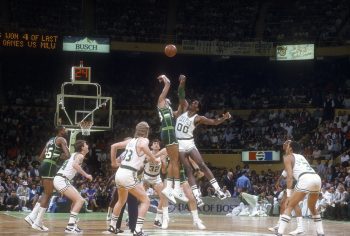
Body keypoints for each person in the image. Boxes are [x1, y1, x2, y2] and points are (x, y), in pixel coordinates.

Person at [106, 121, 160, 236]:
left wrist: (113, 162)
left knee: (121, 201)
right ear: (146, 131)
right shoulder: (144, 140)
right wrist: (153, 157)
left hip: (120, 173)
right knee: (146, 200)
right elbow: (143, 146)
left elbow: (113, 146)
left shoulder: (130, 141)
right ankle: (138, 229)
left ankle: (112, 226)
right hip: (129, 174)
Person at [175, 99, 231, 206]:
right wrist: (182, 82)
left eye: (196, 103)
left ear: (197, 108)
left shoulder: (198, 118)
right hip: (179, 144)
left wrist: (224, 118)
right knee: (188, 170)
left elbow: (214, 122)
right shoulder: (182, 112)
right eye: (193, 102)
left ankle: (218, 190)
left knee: (202, 165)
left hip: (189, 142)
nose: (193, 103)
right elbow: (181, 93)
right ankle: (197, 196)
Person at [25, 126, 70, 231]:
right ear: (60, 131)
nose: (66, 130)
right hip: (50, 166)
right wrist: (59, 157)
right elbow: (67, 155)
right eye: (65, 129)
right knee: (48, 193)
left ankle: (32, 216)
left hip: (44, 165)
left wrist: (53, 157)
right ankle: (38, 222)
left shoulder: (50, 141)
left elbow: (40, 157)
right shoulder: (62, 139)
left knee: (46, 193)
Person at [276, 140, 325, 236]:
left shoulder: (287, 157)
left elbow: (289, 177)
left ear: (290, 148)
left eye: (287, 145)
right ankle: (321, 232)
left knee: (289, 205)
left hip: (305, 178)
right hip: (316, 178)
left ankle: (279, 232)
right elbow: (287, 172)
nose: (285, 146)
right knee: (312, 207)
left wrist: (289, 195)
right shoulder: (301, 156)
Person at [155, 147, 207, 230]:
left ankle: (196, 220)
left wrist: (197, 169)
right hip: (169, 177)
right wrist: (163, 162)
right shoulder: (165, 149)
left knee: (191, 197)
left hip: (181, 176)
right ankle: (165, 218)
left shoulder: (183, 149)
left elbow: (191, 160)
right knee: (164, 195)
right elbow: (163, 170)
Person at [157, 74, 189, 204]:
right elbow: (168, 84)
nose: (168, 101)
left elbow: (181, 111)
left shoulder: (169, 111)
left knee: (173, 161)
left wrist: (183, 103)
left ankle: (170, 188)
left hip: (170, 133)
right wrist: (165, 79)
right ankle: (176, 188)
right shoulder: (160, 103)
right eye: (167, 100)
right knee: (175, 161)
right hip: (168, 132)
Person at [53, 140, 92, 233]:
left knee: (76, 201)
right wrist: (86, 175)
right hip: (62, 180)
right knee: (80, 200)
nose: (87, 145)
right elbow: (75, 165)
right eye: (86, 144)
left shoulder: (75, 154)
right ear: (82, 147)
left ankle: (73, 224)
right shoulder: (80, 155)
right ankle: (70, 227)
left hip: (61, 179)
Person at [105, 140, 138, 234]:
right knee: (130, 202)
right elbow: (114, 163)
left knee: (122, 202)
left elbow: (115, 162)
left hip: (122, 177)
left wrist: (116, 164)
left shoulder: (127, 152)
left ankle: (117, 226)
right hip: (128, 178)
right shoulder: (132, 151)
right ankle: (132, 227)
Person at [143, 139, 170, 229]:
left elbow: (164, 171)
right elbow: (144, 162)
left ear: (159, 147)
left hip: (156, 178)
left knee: (164, 196)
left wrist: (164, 163)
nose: (156, 144)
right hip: (146, 177)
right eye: (154, 143)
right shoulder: (147, 153)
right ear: (151, 146)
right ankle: (130, 218)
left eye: (157, 143)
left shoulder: (162, 155)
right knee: (139, 197)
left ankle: (157, 219)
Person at [268, 168, 304, 235]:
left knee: (295, 204)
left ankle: (300, 227)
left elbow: (287, 172)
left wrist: (279, 181)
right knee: (282, 204)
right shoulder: (289, 164)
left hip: (295, 183)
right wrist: (279, 181)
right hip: (290, 183)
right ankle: (279, 225)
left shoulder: (293, 161)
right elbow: (285, 172)